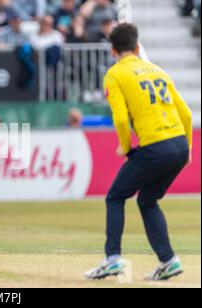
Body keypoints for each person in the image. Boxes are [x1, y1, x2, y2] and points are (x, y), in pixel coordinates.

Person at [85, 23, 193, 281]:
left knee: (115, 197)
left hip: (156, 145)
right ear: (136, 47)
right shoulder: (158, 70)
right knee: (147, 199)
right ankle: (168, 261)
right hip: (178, 143)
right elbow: (186, 114)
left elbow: (121, 120)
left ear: (112, 51)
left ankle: (112, 259)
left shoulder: (115, 74)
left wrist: (125, 146)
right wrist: (187, 148)